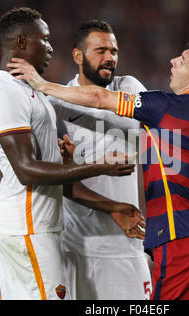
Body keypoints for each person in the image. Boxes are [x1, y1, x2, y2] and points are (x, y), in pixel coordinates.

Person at [8, 35, 189, 300]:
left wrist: (41, 83)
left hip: (185, 240)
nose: (173, 61)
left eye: (184, 60)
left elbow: (98, 97)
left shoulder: (166, 106)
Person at [0, 7, 145, 300]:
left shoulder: (39, 94)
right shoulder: (28, 94)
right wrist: (100, 167)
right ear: (22, 42)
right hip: (41, 229)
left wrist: (68, 160)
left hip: (99, 240)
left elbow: (101, 102)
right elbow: (27, 169)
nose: (49, 47)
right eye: (44, 40)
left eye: (114, 50)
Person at [47, 20, 152, 300]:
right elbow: (57, 182)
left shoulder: (129, 87)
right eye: (101, 50)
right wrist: (114, 207)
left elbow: (98, 98)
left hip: (125, 246)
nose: (110, 58)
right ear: (78, 56)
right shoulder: (56, 105)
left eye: (114, 51)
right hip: (75, 245)